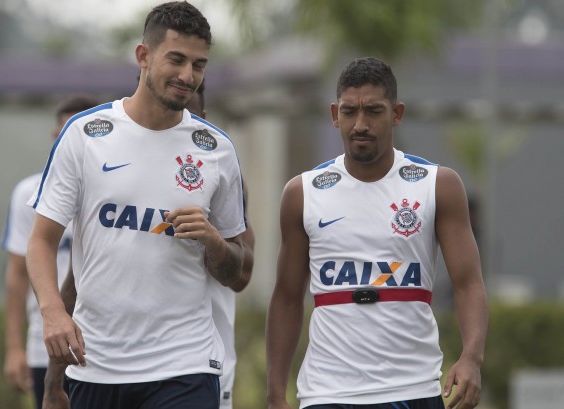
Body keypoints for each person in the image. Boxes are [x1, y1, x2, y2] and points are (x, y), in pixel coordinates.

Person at [26, 2, 246, 409]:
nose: (187, 76)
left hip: (186, 364)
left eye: (198, 65)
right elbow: (41, 240)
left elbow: (239, 271)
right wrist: (53, 313)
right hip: (98, 363)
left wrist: (214, 242)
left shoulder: (216, 149)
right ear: (143, 56)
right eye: (176, 60)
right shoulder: (84, 135)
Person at [265, 57, 488, 409]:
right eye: (350, 112)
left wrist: (472, 358)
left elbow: (468, 283)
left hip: (412, 387)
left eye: (373, 111)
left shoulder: (437, 185)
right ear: (335, 114)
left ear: (396, 113)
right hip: (327, 392)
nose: (360, 124)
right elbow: (287, 297)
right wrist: (275, 392)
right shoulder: (303, 193)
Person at [0, 96, 99, 409]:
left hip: (103, 348)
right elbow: (16, 275)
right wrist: (15, 348)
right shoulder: (30, 193)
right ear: (56, 136)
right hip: (47, 344)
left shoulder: (121, 193)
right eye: (67, 133)